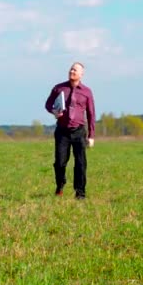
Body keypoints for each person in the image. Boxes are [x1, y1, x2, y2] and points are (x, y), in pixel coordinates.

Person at [45, 62, 95, 200]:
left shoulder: (87, 92)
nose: (72, 71)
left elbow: (91, 114)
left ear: (81, 74)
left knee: (80, 163)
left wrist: (91, 135)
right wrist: (54, 111)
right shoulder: (59, 88)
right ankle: (60, 185)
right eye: (71, 69)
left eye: (75, 70)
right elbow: (48, 104)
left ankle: (80, 193)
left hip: (79, 131)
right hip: (62, 132)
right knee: (60, 162)